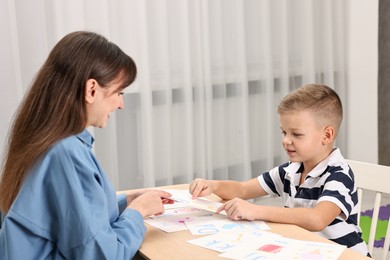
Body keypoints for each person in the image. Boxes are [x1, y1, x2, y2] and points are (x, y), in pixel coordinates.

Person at [0, 31, 173, 259]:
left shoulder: (43, 138)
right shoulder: (66, 153)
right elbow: (101, 254)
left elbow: (71, 216)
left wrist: (126, 202)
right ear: (91, 90)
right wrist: (137, 212)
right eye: (118, 92)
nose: (121, 104)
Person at [189, 84, 370, 256]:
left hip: (346, 255)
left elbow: (317, 219)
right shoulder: (290, 172)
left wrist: (256, 210)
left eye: (296, 134)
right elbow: (243, 189)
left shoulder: (339, 175)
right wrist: (213, 185)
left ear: (327, 135)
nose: (286, 140)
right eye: (284, 132)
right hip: (306, 251)